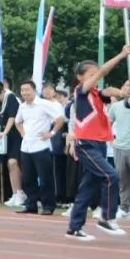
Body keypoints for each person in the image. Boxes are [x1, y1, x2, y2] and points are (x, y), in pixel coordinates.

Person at [66, 48, 130, 241]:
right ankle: (106, 217)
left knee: (88, 187)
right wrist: (121, 55)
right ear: (80, 77)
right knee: (111, 176)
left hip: (100, 144)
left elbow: (108, 91)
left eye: (96, 73)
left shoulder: (96, 93)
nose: (96, 76)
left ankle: (74, 227)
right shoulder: (81, 91)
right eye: (91, 74)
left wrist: (122, 92)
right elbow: (103, 72)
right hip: (86, 144)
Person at [14, 79, 64, 216]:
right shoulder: (22, 107)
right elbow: (17, 122)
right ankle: (31, 205)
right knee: (27, 178)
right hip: (26, 147)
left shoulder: (44, 104)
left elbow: (60, 118)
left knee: (45, 178)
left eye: (27, 90)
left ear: (34, 90)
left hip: (41, 146)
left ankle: (48, 206)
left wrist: (52, 133)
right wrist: (23, 133)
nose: (25, 93)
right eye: (22, 90)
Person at [0, 80, 25, 207]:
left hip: (15, 134)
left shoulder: (10, 97)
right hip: (4, 137)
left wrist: (5, 132)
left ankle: (21, 192)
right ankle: (15, 193)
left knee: (13, 162)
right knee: (9, 165)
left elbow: (12, 117)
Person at [107, 80, 130, 220]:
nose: (129, 89)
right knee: (122, 180)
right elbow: (107, 125)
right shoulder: (115, 107)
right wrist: (112, 142)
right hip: (120, 148)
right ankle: (124, 207)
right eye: (127, 85)